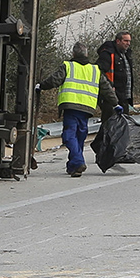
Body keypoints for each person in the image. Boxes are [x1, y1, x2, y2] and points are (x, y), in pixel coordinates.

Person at [39, 42, 118, 178]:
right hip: (87, 108)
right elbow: (106, 88)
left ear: (73, 54)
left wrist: (40, 86)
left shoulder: (68, 66)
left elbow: (54, 80)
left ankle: (78, 161)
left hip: (71, 106)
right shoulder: (94, 70)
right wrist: (116, 103)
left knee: (69, 136)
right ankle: (73, 167)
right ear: (87, 54)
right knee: (80, 137)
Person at [96, 31, 135, 119]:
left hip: (124, 96)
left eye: (129, 41)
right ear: (118, 41)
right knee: (109, 123)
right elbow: (99, 71)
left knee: (123, 124)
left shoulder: (126, 54)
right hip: (111, 97)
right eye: (125, 41)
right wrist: (109, 85)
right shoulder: (108, 54)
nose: (128, 43)